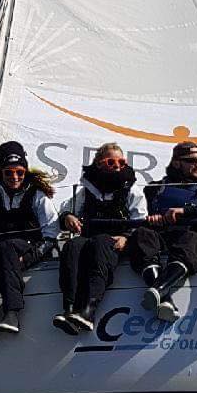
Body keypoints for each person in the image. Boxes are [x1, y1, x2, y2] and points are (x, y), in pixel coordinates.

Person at [125, 140, 197, 324]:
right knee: (141, 234)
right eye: (192, 160)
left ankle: (159, 289)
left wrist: (187, 212)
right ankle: (164, 298)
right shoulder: (154, 189)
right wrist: (151, 219)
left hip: (188, 240)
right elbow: (136, 214)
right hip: (160, 238)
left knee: (193, 239)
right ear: (176, 163)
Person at [0, 140, 60, 336]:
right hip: (3, 251)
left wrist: (30, 257)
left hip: (28, 248)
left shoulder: (37, 195)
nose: (14, 177)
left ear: (25, 172)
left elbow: (51, 232)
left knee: (7, 247)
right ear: (1, 173)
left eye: (19, 172)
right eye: (8, 172)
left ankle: (12, 313)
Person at [54, 142, 147, 335]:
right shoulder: (87, 189)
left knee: (100, 244)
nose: (117, 166)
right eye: (111, 162)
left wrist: (127, 237)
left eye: (121, 162)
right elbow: (67, 209)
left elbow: (140, 218)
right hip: (89, 237)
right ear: (99, 164)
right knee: (72, 246)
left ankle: (88, 312)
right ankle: (69, 308)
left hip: (115, 239)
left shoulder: (131, 189)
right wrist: (68, 216)